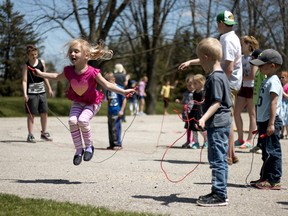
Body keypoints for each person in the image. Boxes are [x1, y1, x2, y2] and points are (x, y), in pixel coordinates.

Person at [32, 38, 135, 166]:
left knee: (83, 120)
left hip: (92, 102)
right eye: (71, 52)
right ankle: (78, 150)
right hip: (78, 102)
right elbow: (56, 77)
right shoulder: (69, 71)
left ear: (86, 55)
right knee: (72, 121)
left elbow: (107, 85)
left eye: (76, 51)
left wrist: (124, 91)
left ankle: (89, 146)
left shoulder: (92, 72)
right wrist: (41, 73)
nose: (72, 54)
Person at [179, 10, 242, 165]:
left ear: (220, 23)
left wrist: (221, 84)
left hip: (228, 84)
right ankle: (231, 154)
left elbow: (229, 66)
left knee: (226, 119)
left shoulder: (226, 39)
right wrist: (191, 62)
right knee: (229, 117)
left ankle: (228, 155)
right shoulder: (233, 37)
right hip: (233, 83)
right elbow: (213, 59)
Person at [194, 38, 232, 206]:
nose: (200, 63)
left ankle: (220, 195)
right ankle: (218, 191)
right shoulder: (219, 74)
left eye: (200, 59)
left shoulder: (215, 78)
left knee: (217, 160)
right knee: (219, 159)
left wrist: (203, 118)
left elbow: (217, 103)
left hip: (217, 124)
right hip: (219, 123)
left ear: (207, 57)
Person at [249, 49, 283, 190]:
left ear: (272, 66)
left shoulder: (274, 81)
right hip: (264, 121)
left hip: (271, 121)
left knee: (272, 151)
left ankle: (274, 180)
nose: (259, 67)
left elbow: (274, 103)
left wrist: (270, 124)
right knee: (265, 151)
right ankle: (265, 176)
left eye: (262, 65)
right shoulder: (266, 80)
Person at [22, 44, 53, 143]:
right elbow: (24, 81)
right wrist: (25, 94)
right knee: (31, 114)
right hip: (31, 93)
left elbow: (44, 76)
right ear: (28, 55)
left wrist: (49, 88)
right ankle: (30, 135)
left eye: (35, 54)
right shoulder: (26, 66)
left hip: (42, 92)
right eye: (32, 55)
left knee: (44, 112)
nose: (34, 56)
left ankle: (44, 132)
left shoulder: (41, 62)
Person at [234, 36, 259, 149]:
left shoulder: (254, 58)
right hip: (243, 87)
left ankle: (249, 140)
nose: (241, 46)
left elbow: (253, 76)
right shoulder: (241, 57)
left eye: (242, 44)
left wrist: (241, 78)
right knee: (236, 112)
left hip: (252, 88)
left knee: (252, 114)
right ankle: (240, 138)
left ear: (249, 45)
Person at [104, 72, 127, 150]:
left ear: (113, 79)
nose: (106, 83)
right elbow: (108, 100)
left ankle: (118, 143)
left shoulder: (119, 88)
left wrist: (122, 110)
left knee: (116, 128)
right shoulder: (108, 90)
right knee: (110, 128)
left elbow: (124, 99)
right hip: (110, 111)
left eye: (108, 81)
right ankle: (112, 143)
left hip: (117, 111)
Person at [250, 49, 265, 154]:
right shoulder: (258, 71)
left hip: (263, 101)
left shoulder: (263, 72)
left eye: (253, 58)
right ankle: (259, 144)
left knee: (262, 124)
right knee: (259, 123)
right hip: (257, 101)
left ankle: (262, 145)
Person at [188, 74, 207, 149]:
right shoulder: (194, 92)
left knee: (201, 127)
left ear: (201, 82)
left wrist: (202, 102)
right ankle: (196, 143)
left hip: (201, 110)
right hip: (194, 110)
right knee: (193, 128)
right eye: (193, 83)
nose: (194, 85)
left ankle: (206, 141)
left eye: (195, 83)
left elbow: (205, 101)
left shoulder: (204, 92)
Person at [175, 74, 195, 148]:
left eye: (190, 85)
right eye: (187, 85)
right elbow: (184, 102)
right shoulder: (185, 93)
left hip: (193, 113)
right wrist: (179, 101)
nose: (189, 87)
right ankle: (188, 141)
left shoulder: (196, 93)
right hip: (186, 113)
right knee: (188, 127)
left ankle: (194, 141)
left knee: (194, 128)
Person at [279, 70, 288, 139]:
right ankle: (282, 132)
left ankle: (285, 132)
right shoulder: (281, 85)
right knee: (281, 118)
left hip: (285, 104)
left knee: (285, 118)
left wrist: (282, 92)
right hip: (281, 103)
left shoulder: (287, 86)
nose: (281, 79)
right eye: (280, 77)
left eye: (283, 77)